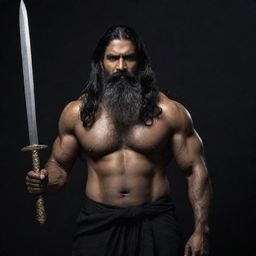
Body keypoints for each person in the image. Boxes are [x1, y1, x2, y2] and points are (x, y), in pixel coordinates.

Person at [26, 25, 211, 256]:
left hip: (156, 219)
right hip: (99, 223)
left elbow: (195, 170)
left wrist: (201, 230)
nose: (121, 66)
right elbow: (60, 167)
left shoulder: (169, 113)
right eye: (113, 58)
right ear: (100, 63)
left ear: (140, 62)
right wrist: (44, 181)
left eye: (129, 58)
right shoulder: (77, 114)